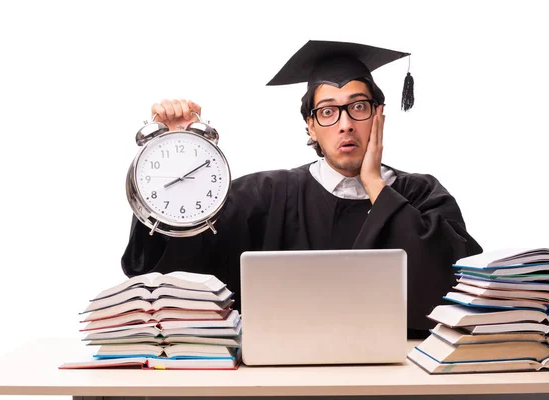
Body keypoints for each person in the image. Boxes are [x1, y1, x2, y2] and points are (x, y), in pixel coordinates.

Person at [121, 40, 483, 338]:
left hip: (401, 377)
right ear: (310, 127)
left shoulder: (421, 195)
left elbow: (449, 293)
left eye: (358, 107)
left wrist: (375, 184)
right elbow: (173, 268)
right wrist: (176, 150)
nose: (344, 124)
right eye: (327, 112)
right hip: (280, 380)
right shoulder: (264, 196)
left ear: (378, 115)